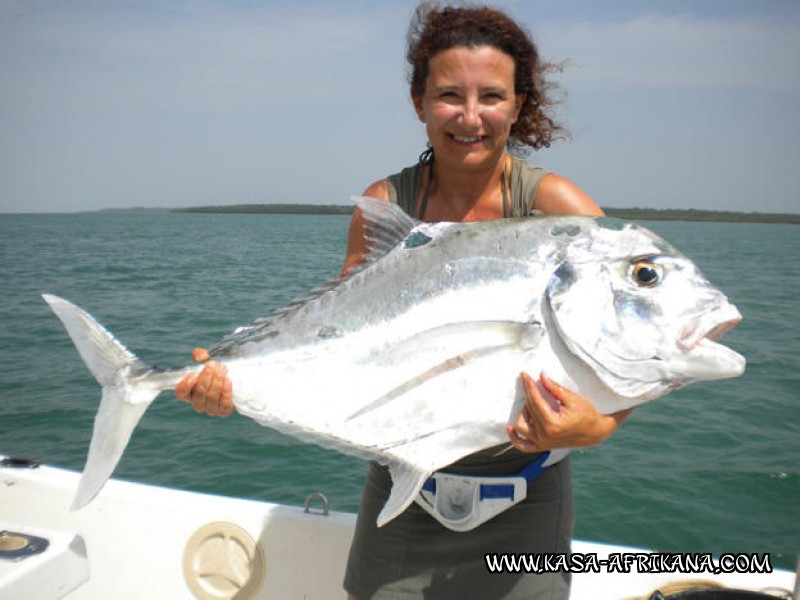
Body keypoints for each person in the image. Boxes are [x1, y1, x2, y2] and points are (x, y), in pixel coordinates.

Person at [176, 3, 633, 599]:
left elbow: (628, 347)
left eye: (491, 96)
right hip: (403, 491)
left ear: (518, 105)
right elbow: (334, 336)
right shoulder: (387, 204)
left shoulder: (558, 209)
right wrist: (236, 378)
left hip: (527, 498)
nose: (470, 117)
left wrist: (597, 425)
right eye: (449, 95)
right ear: (419, 103)